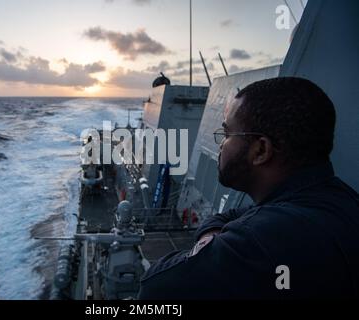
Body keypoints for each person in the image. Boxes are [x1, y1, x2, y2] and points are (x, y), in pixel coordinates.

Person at [138, 77, 359, 299]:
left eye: (227, 134)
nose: (222, 144)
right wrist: (212, 237)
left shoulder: (259, 240)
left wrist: (206, 249)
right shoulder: (340, 199)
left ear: (261, 150)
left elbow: (155, 288)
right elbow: (233, 215)